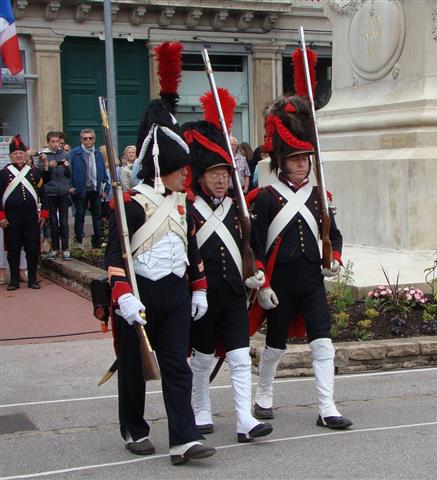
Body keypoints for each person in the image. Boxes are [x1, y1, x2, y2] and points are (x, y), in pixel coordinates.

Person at [105, 40, 215, 466]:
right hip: (138, 295)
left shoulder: (183, 204)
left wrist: (198, 288)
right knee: (133, 368)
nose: (186, 175)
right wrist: (123, 297)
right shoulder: (131, 204)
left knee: (176, 367)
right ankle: (134, 428)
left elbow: (191, 249)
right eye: (180, 169)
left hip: (174, 294)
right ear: (161, 169)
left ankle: (183, 439)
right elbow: (115, 256)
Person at [249, 95, 352, 430]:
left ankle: (327, 407)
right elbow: (256, 247)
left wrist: (334, 259)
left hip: (311, 280)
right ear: (282, 162)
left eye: (305, 159)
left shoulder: (319, 198)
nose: (302, 165)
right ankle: (264, 394)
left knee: (323, 342)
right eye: (295, 159)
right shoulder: (266, 198)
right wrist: (263, 284)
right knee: (275, 345)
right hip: (279, 283)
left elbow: (334, 236)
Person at [182, 89, 273, 443]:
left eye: (225, 173)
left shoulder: (238, 209)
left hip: (234, 293)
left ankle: (244, 419)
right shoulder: (189, 210)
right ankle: (201, 408)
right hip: (203, 296)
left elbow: (252, 247)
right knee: (203, 357)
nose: (221, 180)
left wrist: (256, 272)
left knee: (239, 356)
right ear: (200, 177)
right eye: (214, 174)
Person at [0, 135, 50, 290]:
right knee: (13, 249)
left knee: (32, 248)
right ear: (10, 156)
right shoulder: (3, 173)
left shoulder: (34, 172)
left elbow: (43, 194)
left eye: (21, 153)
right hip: (12, 217)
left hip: (31, 217)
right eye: (15, 153)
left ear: (25, 155)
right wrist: (1, 216)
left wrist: (44, 213)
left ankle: (32, 279)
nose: (18, 156)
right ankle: (14, 280)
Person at [69, 129, 110, 248]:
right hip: (80, 189)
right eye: (85, 138)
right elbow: (69, 171)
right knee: (80, 215)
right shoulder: (75, 153)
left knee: (97, 216)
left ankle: (98, 240)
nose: (88, 140)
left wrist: (105, 189)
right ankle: (79, 241)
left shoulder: (98, 154)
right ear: (81, 140)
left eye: (90, 138)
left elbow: (103, 173)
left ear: (94, 139)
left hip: (95, 189)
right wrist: (70, 187)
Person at [41, 131, 72, 260]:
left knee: (64, 221)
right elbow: (43, 177)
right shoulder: (44, 156)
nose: (55, 144)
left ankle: (65, 249)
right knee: (53, 222)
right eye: (52, 142)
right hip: (50, 192)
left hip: (63, 191)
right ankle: (54, 248)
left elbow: (69, 175)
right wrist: (47, 166)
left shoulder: (65, 154)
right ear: (48, 142)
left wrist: (67, 167)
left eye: (57, 141)